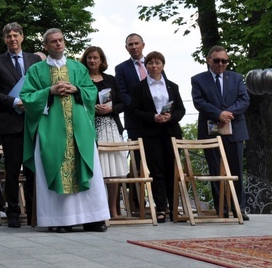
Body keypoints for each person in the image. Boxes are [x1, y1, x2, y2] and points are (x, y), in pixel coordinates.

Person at [21, 28, 109, 233]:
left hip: (79, 129)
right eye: (53, 41)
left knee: (88, 169)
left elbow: (91, 90)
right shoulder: (36, 70)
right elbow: (27, 97)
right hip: (51, 130)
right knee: (56, 167)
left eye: (61, 40)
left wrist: (76, 90)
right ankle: (61, 220)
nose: (58, 44)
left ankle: (93, 219)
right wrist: (49, 91)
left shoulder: (78, 68)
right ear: (45, 46)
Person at [0, 22, 42, 227]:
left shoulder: (35, 60)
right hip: (11, 123)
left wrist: (33, 102)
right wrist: (15, 102)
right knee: (11, 170)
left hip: (33, 122)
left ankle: (34, 211)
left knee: (33, 170)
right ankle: (13, 211)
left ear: (22, 37)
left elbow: (42, 86)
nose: (12, 39)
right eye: (8, 36)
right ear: (4, 39)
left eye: (16, 35)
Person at [191, 45, 250, 220]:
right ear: (209, 60)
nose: (220, 64)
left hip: (235, 130)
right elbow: (199, 102)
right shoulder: (198, 79)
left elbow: (244, 99)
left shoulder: (237, 78)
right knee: (216, 171)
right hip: (211, 133)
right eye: (216, 60)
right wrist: (218, 114)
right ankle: (222, 209)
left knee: (236, 170)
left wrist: (227, 113)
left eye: (224, 61)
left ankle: (239, 208)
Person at [128, 51, 185, 223]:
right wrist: (153, 117)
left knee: (171, 170)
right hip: (150, 133)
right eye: (151, 63)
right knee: (157, 171)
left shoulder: (173, 86)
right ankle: (161, 208)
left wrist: (170, 117)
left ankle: (174, 207)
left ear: (163, 65)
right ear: (146, 66)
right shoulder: (139, 88)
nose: (154, 66)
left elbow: (181, 109)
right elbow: (134, 111)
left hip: (170, 132)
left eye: (157, 62)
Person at [80, 46, 127, 218]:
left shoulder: (111, 80)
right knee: (96, 167)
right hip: (90, 127)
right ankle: (95, 209)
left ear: (101, 60)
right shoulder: (82, 80)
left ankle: (113, 209)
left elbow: (123, 103)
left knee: (113, 168)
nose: (92, 61)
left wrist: (111, 109)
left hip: (111, 127)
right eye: (89, 58)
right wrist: (92, 109)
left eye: (95, 58)